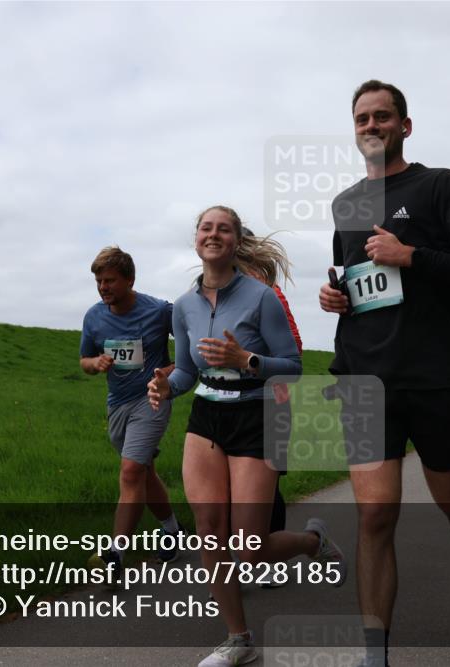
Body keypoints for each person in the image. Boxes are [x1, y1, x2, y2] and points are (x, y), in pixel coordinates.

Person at [318, 80, 450, 667]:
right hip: (364, 378)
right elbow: (356, 275)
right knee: (375, 514)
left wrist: (412, 256)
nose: (370, 126)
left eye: (382, 117)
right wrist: (336, 296)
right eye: (361, 119)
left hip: (432, 375)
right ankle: (376, 655)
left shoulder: (440, 185)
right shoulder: (345, 203)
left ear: (405, 125)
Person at [148, 206, 346, 667]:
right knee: (209, 533)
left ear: (236, 242)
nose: (213, 234)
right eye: (205, 227)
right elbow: (186, 371)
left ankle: (312, 542)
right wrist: (164, 385)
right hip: (206, 419)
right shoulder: (183, 305)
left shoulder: (262, 298)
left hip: (256, 416)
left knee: (249, 549)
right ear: (196, 239)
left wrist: (247, 361)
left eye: (223, 228)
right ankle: (239, 640)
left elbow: (293, 367)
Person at [79, 246, 184, 579]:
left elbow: (188, 352)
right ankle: (172, 529)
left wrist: (169, 371)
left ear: (130, 279)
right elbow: (84, 360)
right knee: (143, 472)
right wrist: (95, 363)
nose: (103, 287)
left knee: (129, 472)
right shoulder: (94, 316)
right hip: (118, 404)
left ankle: (115, 554)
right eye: (98, 281)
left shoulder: (159, 311)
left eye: (109, 280)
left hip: (151, 399)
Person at [237, 226, 300, 588]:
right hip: (229, 406)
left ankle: (267, 560)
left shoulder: (269, 295)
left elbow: (295, 351)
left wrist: (249, 360)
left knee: (268, 487)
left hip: (271, 403)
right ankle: (243, 562)